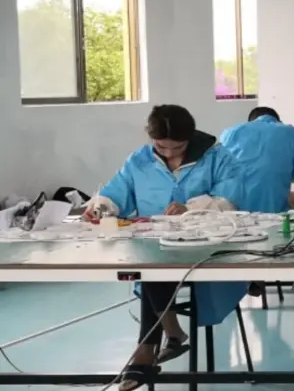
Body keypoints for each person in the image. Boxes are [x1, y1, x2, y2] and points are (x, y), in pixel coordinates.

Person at [81, 105, 247, 391]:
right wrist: (101, 207)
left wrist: (193, 209)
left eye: (178, 147)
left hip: (205, 249)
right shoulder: (140, 160)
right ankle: (164, 338)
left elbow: (230, 199)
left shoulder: (217, 157)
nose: (169, 154)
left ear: (190, 137)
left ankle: (152, 347)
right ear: (151, 139)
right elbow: (116, 191)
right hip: (154, 246)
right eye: (161, 147)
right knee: (153, 265)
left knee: (152, 269)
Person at [218, 107, 294, 213]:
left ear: (250, 122)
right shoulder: (292, 133)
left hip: (227, 209)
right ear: (278, 121)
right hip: (270, 211)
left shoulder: (229, 132)